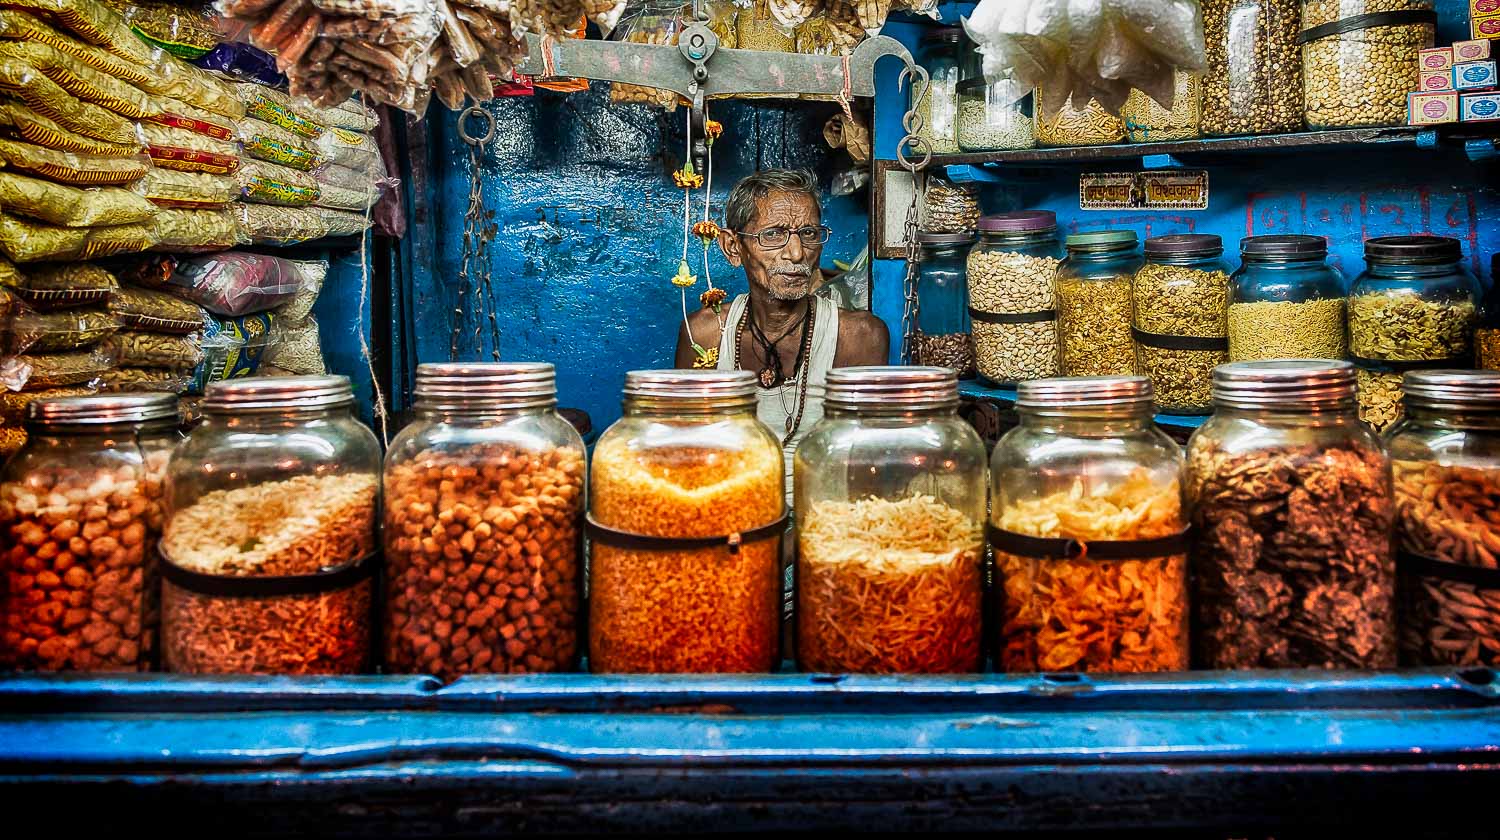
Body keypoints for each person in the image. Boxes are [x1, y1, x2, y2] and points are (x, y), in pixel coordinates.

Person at [674, 168, 889, 493]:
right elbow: (686, 461)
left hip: (825, 526)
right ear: (733, 247)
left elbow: (870, 472)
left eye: (809, 233)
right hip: (730, 522)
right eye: (773, 235)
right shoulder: (704, 335)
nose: (797, 253)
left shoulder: (857, 338)